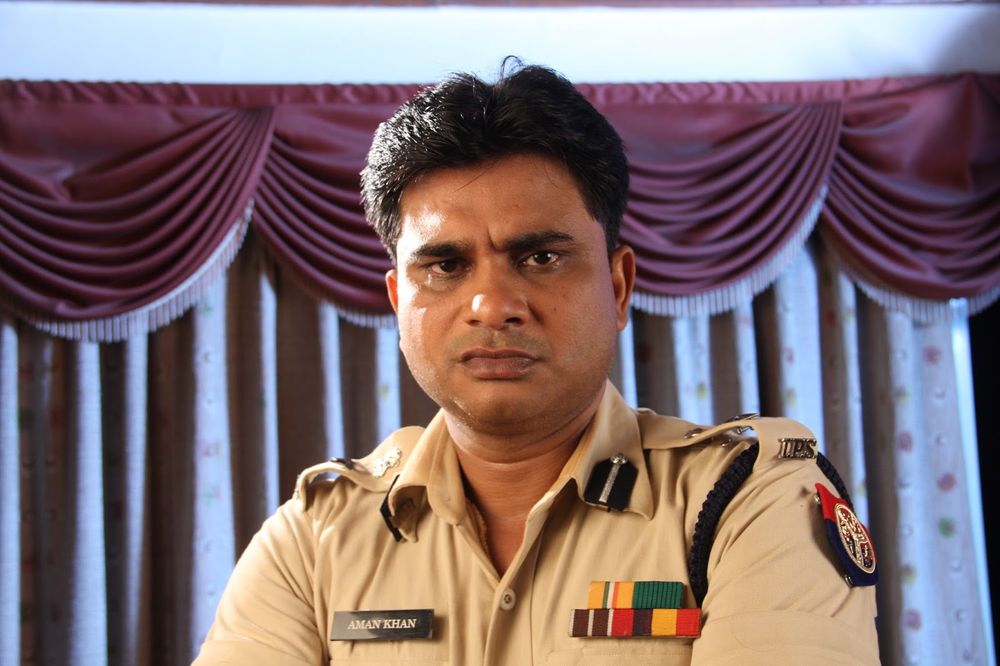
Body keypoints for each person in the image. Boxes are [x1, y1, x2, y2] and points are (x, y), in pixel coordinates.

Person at [194, 62, 879, 665]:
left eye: (540, 257)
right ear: (399, 304)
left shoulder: (745, 502)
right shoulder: (315, 539)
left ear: (618, 287)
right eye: (446, 265)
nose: (493, 305)